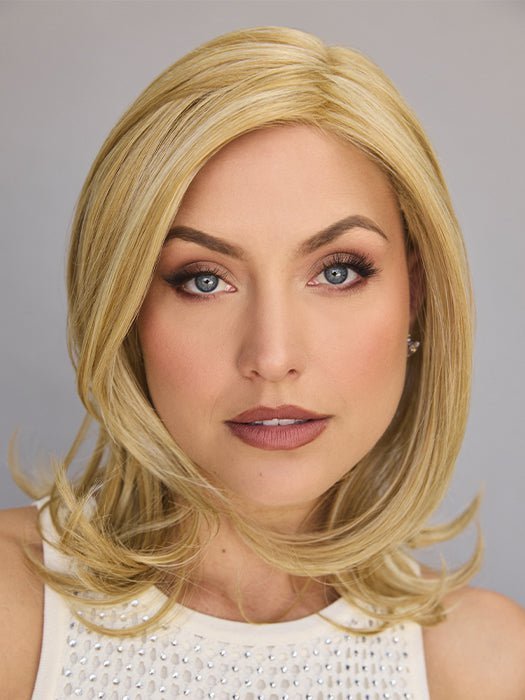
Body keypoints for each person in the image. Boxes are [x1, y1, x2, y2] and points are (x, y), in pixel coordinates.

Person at [2, 25, 524, 700]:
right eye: (203, 279)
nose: (272, 358)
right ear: (124, 308)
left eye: (337, 271)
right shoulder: (14, 611)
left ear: (415, 295)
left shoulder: (485, 665)